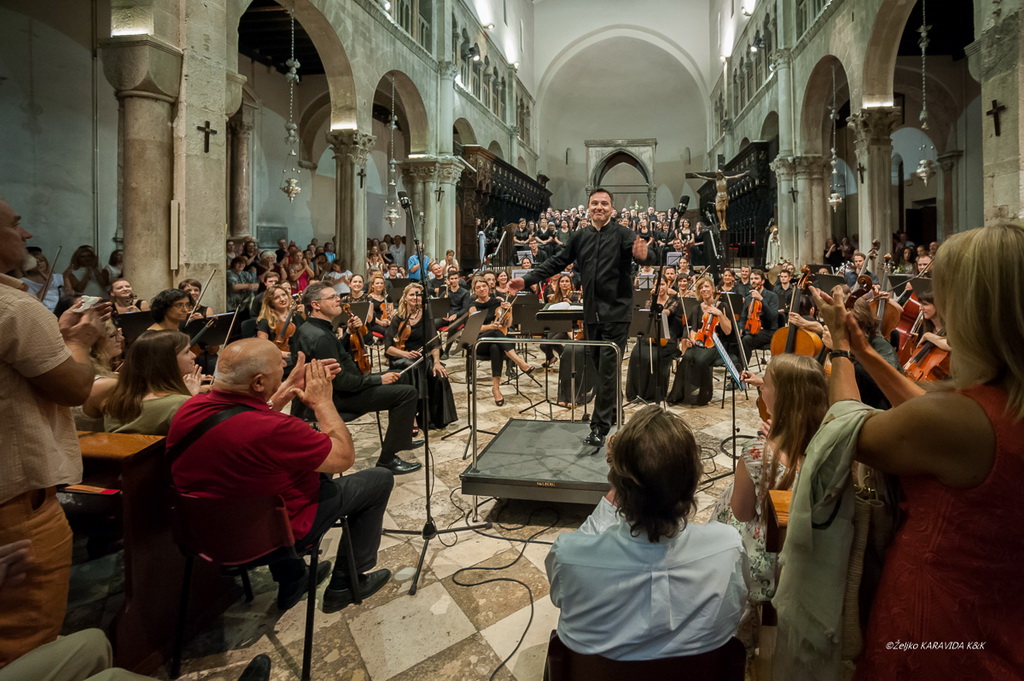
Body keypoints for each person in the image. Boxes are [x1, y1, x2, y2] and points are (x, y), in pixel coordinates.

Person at [808, 222, 1024, 680]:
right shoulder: (999, 404)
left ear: (977, 311)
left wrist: (840, 349)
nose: (938, 312)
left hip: (941, 628)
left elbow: (845, 428)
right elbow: (927, 407)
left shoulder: (962, 421)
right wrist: (865, 349)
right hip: (1003, 614)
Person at [169, 340, 395, 614]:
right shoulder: (277, 429)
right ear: (258, 382)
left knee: (270, 483)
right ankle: (346, 584)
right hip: (273, 538)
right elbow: (344, 457)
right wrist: (323, 402)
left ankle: (294, 579)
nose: (284, 367)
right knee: (379, 479)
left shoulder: (188, 409)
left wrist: (286, 387)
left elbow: (243, 417)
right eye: (280, 366)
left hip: (207, 538)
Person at [0, 198, 112, 666]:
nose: (25, 235)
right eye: (15, 224)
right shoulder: (13, 308)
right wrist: (79, 342)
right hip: (16, 507)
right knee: (27, 644)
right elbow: (73, 389)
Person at [545, 406, 747, 660]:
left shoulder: (569, 555)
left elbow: (561, 597)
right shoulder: (728, 546)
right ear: (693, 480)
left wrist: (618, 480)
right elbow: (737, 607)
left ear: (619, 485)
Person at [510, 188, 659, 447]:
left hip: (616, 314)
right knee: (601, 370)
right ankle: (613, 413)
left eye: (604, 203)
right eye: (595, 203)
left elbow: (649, 255)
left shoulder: (623, 234)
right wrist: (527, 279)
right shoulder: (580, 237)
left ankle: (599, 428)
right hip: (591, 315)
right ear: (588, 207)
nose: (599, 207)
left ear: (612, 209)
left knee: (608, 370)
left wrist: (645, 254)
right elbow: (556, 262)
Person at [713, 355, 827, 648]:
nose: (761, 387)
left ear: (781, 398)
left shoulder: (756, 454)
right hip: (812, 556)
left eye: (766, 383)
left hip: (768, 560)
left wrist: (767, 445)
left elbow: (741, 512)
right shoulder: (828, 448)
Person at [290, 282, 422, 474]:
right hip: (337, 398)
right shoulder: (320, 336)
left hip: (339, 389)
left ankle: (402, 439)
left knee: (401, 377)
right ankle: (388, 459)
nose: (338, 300)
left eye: (337, 296)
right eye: (332, 297)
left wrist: (349, 335)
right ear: (316, 305)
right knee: (407, 393)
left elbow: (337, 354)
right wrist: (378, 380)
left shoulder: (312, 328)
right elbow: (342, 382)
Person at [383, 283, 457, 430]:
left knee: (439, 375)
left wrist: (437, 362)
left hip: (424, 356)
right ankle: (412, 416)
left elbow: (434, 343)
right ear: (405, 298)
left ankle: (435, 418)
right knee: (414, 368)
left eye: (418, 294)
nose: (415, 297)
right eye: (412, 294)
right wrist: (405, 353)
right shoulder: (398, 318)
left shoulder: (426, 316)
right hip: (402, 357)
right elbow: (388, 348)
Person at [101, 330, 200, 434]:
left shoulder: (114, 402)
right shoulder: (180, 403)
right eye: (187, 351)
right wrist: (192, 400)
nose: (193, 355)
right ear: (166, 360)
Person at [467, 276, 536, 406]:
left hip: (495, 341)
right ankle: (519, 362)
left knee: (495, 346)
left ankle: (496, 388)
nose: (482, 289)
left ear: (488, 287)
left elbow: (507, 324)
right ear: (474, 291)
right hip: (479, 342)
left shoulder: (496, 302)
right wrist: (490, 327)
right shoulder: (473, 307)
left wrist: (510, 310)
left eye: (484, 286)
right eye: (478, 287)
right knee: (495, 332)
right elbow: (474, 329)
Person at [669, 276, 733, 406]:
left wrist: (720, 314)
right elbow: (693, 330)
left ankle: (701, 395)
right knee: (686, 357)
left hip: (716, 344)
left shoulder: (722, 306)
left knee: (700, 359)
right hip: (700, 342)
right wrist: (692, 340)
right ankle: (681, 394)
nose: (704, 289)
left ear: (713, 289)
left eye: (706, 286)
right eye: (701, 287)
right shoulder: (697, 308)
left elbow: (728, 331)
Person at [738, 269, 779, 365]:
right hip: (752, 329)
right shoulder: (748, 298)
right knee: (736, 338)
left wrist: (761, 299)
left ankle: (742, 369)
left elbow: (772, 317)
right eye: (751, 279)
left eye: (756, 278)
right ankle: (735, 367)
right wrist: (741, 328)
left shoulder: (772, 296)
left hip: (769, 331)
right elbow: (743, 317)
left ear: (763, 281)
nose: (753, 281)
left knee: (747, 340)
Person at [256, 285, 304, 360]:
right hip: (278, 358)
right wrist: (289, 355)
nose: (282, 299)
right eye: (276, 298)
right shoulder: (265, 321)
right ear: (270, 302)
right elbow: (263, 346)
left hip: (298, 355)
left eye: (284, 295)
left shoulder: (297, 316)